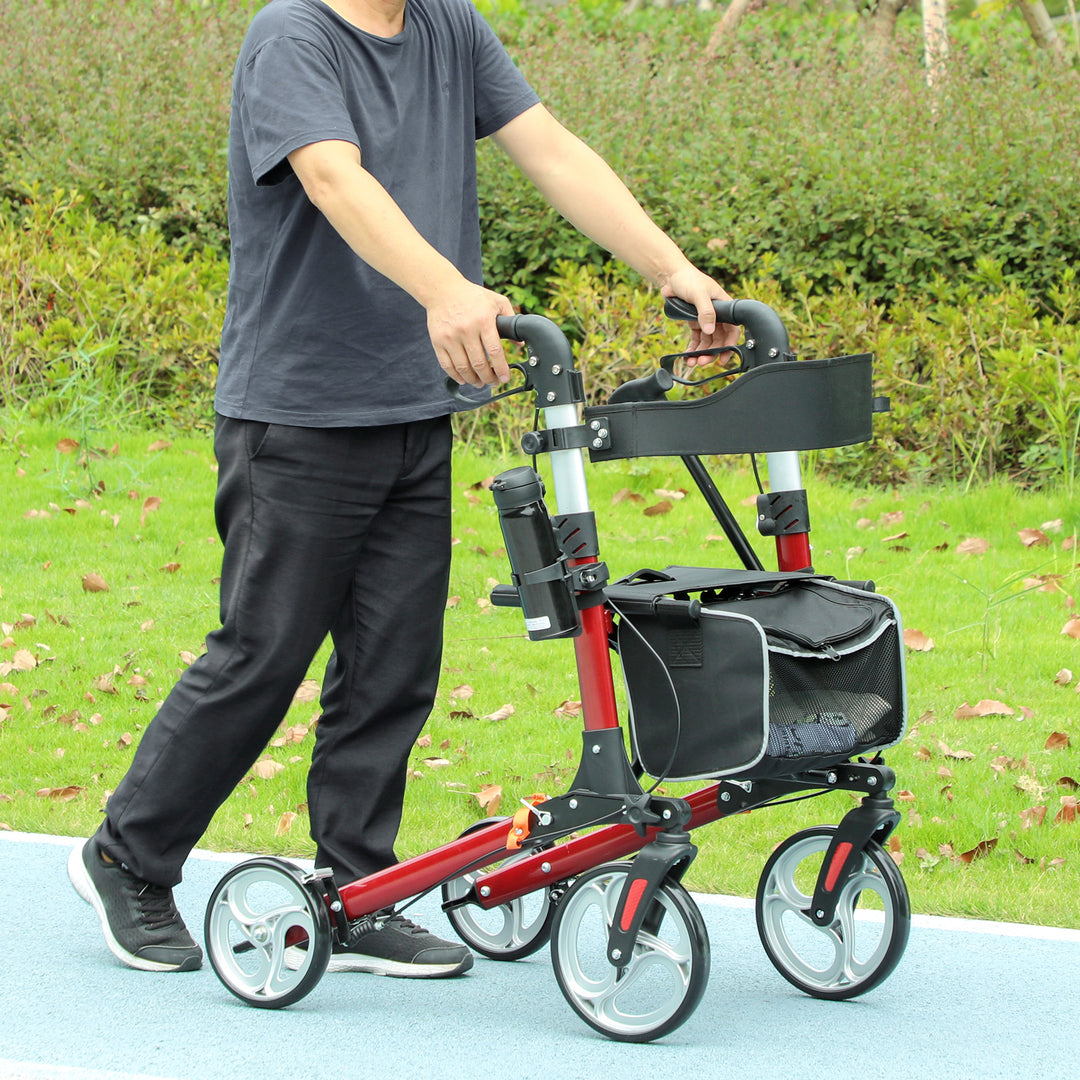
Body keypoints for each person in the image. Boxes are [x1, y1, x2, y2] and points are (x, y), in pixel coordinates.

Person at [68, 0, 737, 978]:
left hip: (411, 413)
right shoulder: (294, 35)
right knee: (263, 654)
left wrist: (671, 270)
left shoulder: (448, 28)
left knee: (394, 667)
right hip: (296, 414)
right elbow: (335, 177)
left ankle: (355, 889)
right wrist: (446, 288)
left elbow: (550, 150)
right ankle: (128, 856)